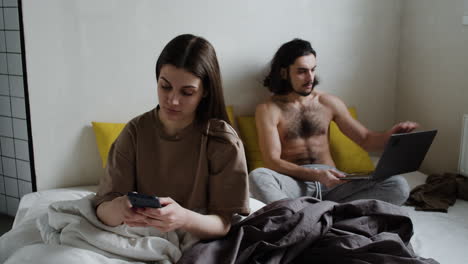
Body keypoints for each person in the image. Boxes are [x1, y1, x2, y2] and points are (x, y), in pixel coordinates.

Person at [93, 34, 250, 240]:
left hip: (196, 237)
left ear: (205, 92)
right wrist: (118, 209)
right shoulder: (135, 131)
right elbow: (102, 209)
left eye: (187, 92)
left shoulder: (222, 140)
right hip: (139, 236)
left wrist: (184, 218)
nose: (173, 101)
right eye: (165, 86)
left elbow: (223, 223)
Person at [249, 38, 418, 206]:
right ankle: (321, 213)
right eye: (302, 71)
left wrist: (391, 137)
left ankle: (309, 215)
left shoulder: (328, 102)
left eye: (313, 70)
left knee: (398, 185)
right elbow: (272, 161)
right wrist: (315, 175)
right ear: (284, 73)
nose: (310, 78)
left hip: (333, 184)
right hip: (294, 184)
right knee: (257, 177)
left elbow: (365, 139)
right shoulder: (268, 109)